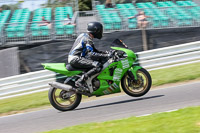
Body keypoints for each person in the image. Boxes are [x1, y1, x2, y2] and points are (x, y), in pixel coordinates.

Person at [68, 22, 110, 88]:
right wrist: (106, 56)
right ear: (95, 31)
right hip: (76, 59)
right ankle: (80, 81)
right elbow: (91, 54)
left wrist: (105, 53)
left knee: (94, 63)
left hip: (75, 58)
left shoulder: (84, 35)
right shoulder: (87, 39)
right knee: (97, 66)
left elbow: (94, 50)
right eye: (100, 30)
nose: (101, 32)